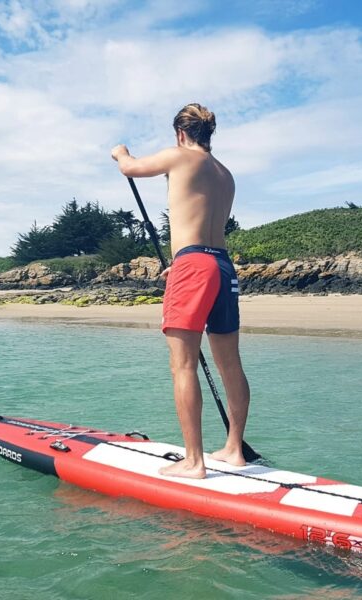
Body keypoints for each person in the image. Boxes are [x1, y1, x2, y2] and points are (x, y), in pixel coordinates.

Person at [110, 103, 251, 479]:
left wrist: (120, 153)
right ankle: (234, 449)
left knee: (183, 365)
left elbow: (130, 168)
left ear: (180, 133)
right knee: (230, 364)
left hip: (193, 265)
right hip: (221, 265)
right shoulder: (225, 174)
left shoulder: (179, 155)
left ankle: (194, 462)